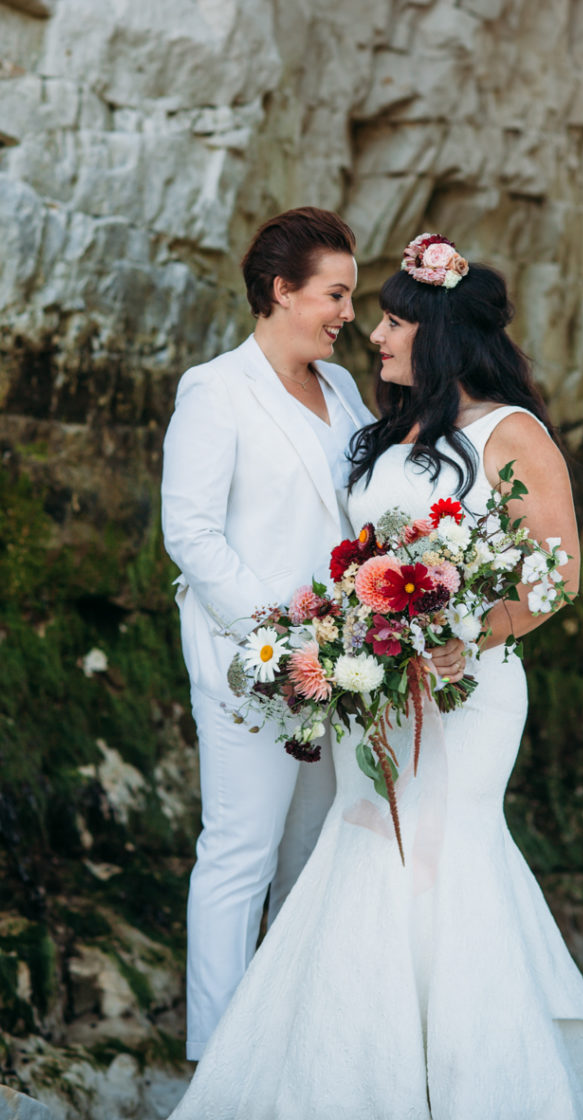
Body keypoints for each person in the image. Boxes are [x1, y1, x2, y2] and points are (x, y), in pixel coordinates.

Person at [168, 232, 583, 1119]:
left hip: (464, 687)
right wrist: (345, 639)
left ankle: (472, 1084)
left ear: (439, 333)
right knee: (359, 857)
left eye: (387, 319)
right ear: (282, 291)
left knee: (445, 855)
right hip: (362, 683)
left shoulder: (506, 429)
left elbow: (558, 573)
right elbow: (276, 541)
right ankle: (345, 1077)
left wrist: (471, 634)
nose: (369, 333)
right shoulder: (390, 425)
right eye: (351, 305)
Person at [161, 206, 374, 1060]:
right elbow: (191, 532)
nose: (348, 314)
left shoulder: (347, 392)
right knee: (238, 856)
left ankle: (288, 1055)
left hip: (343, 673)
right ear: (282, 291)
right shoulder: (215, 389)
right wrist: (281, 636)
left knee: (315, 861)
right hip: (252, 667)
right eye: (336, 294)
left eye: (352, 297)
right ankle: (218, 1069)